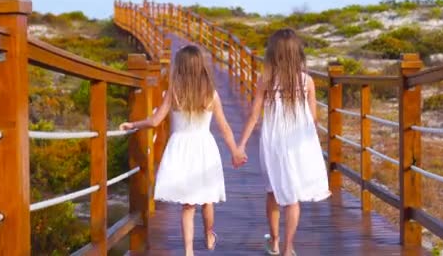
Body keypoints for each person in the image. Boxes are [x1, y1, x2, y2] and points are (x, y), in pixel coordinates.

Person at [120, 45, 246, 256]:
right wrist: (234, 151)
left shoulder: (175, 92)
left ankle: (188, 251)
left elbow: (155, 120)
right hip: (204, 148)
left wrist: (133, 124)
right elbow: (224, 127)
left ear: (180, 67)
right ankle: (208, 233)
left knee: (187, 205)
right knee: (207, 199)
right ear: (201, 67)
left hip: (180, 149)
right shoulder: (211, 94)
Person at [236, 29, 330, 256]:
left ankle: (275, 242)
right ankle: (288, 248)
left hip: (274, 142)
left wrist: (241, 146)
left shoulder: (266, 80)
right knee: (293, 196)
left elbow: (253, 116)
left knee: (273, 191)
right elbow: (314, 119)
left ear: (273, 54)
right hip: (299, 143)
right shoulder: (307, 81)